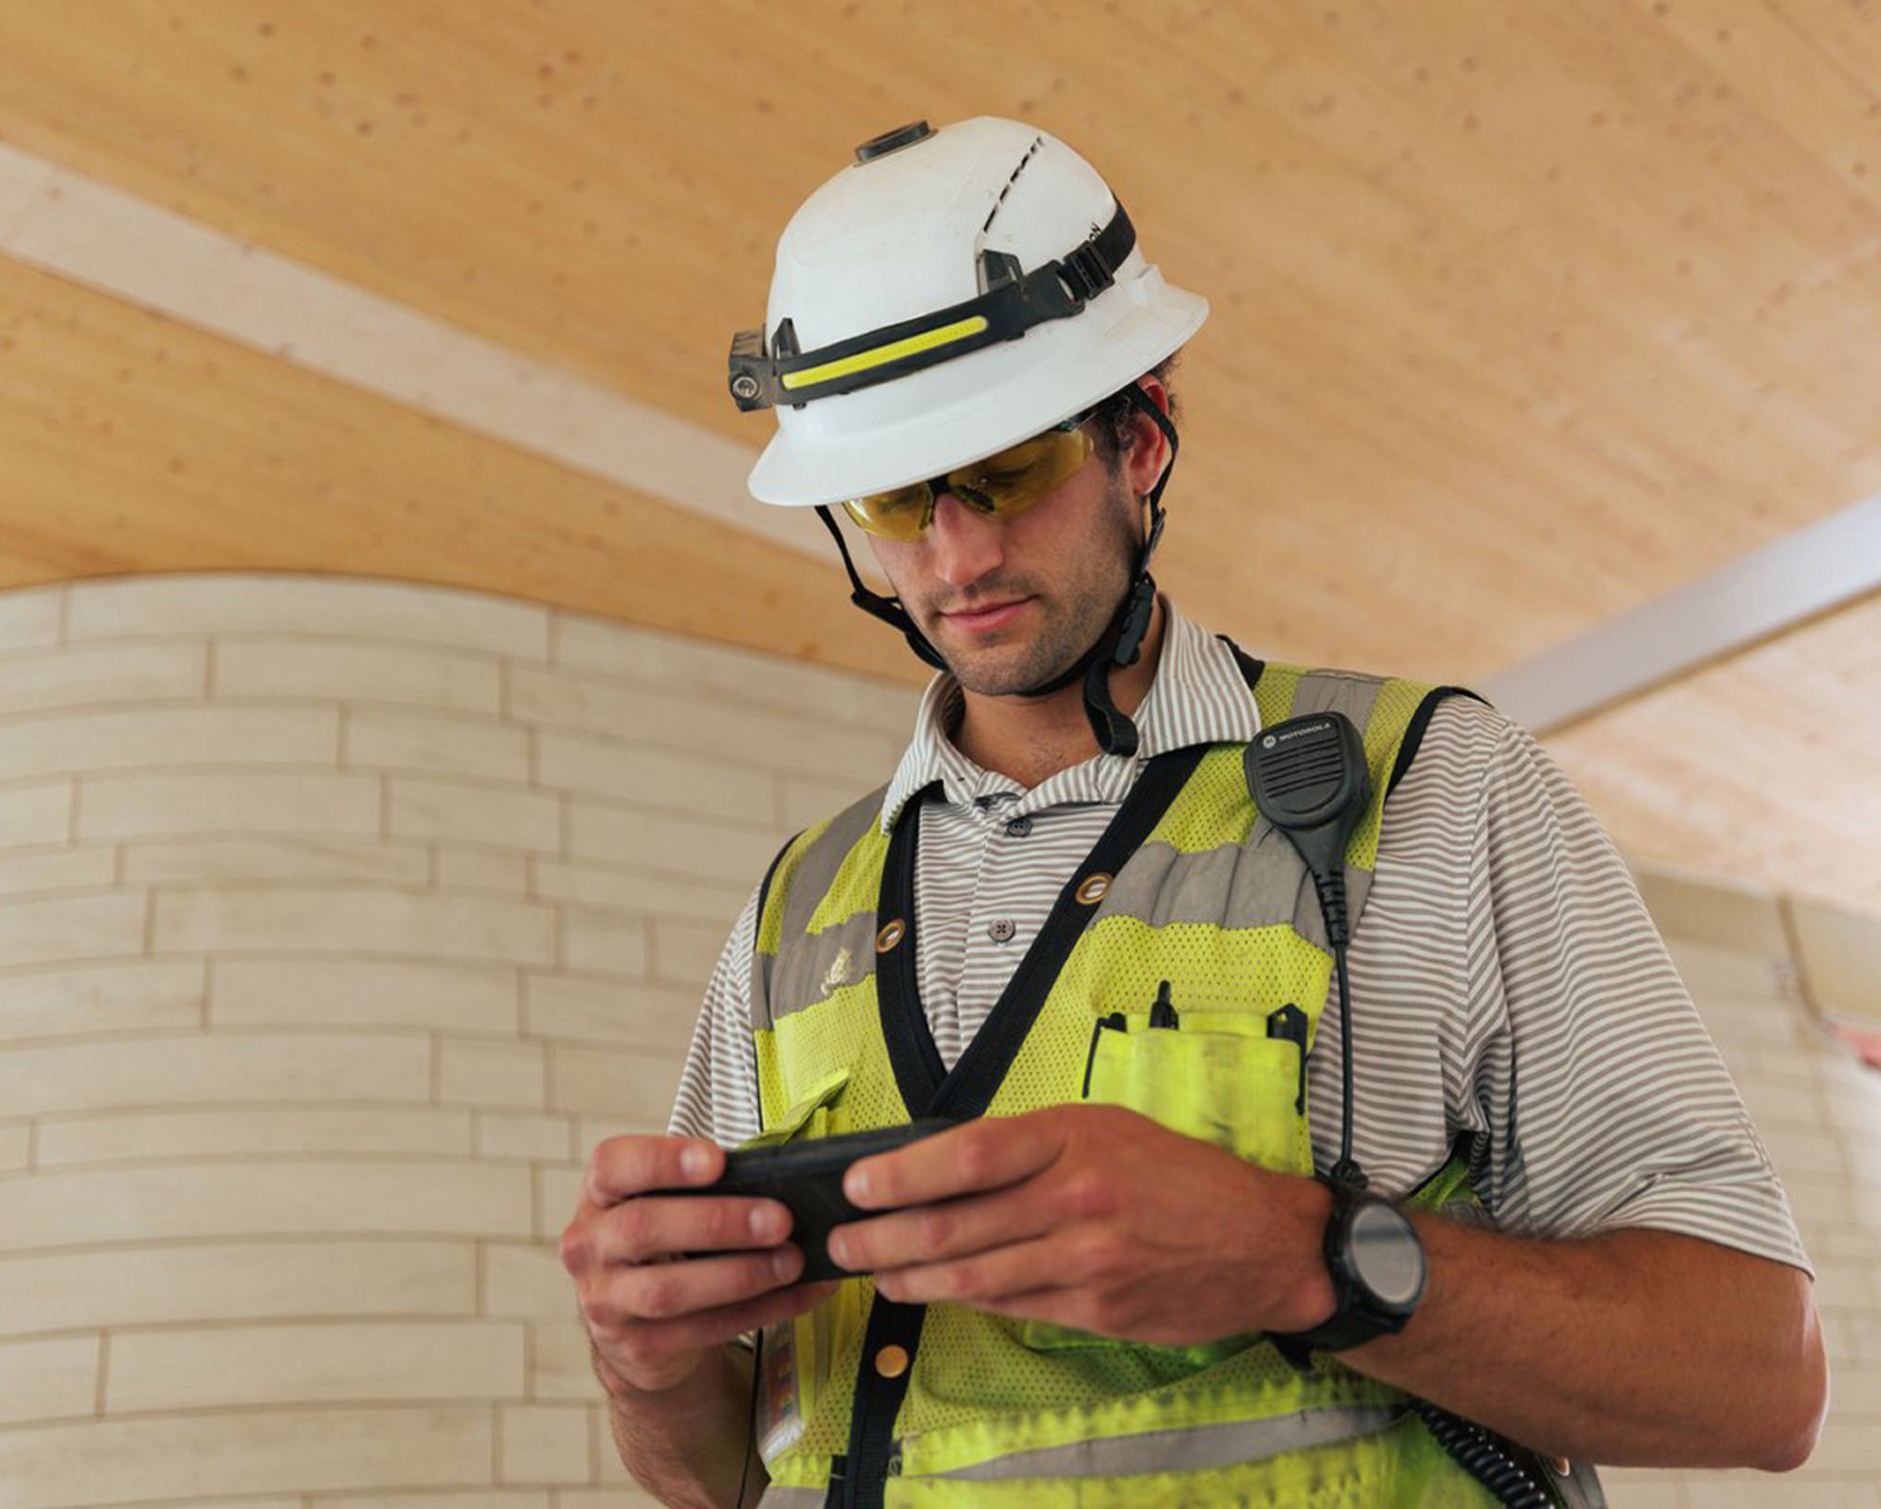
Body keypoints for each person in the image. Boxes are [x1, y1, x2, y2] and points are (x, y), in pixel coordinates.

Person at [559, 116, 1826, 1507]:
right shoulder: (801, 902)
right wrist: (645, 1365)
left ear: (1142, 437)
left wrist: (1299, 1256)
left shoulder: (1431, 786)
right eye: (896, 498)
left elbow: (1758, 1376)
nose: (957, 554)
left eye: (1010, 469)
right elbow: (725, 1479)